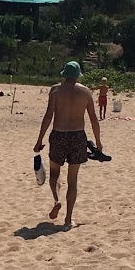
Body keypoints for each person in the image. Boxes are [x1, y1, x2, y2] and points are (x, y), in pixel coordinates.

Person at [34, 61, 104, 227]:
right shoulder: (85, 92)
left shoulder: (55, 90)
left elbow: (48, 115)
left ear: (64, 74)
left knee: (54, 173)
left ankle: (57, 200)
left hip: (58, 134)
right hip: (78, 136)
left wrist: (39, 140)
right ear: (78, 75)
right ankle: (68, 219)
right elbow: (94, 119)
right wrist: (99, 143)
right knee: (73, 180)